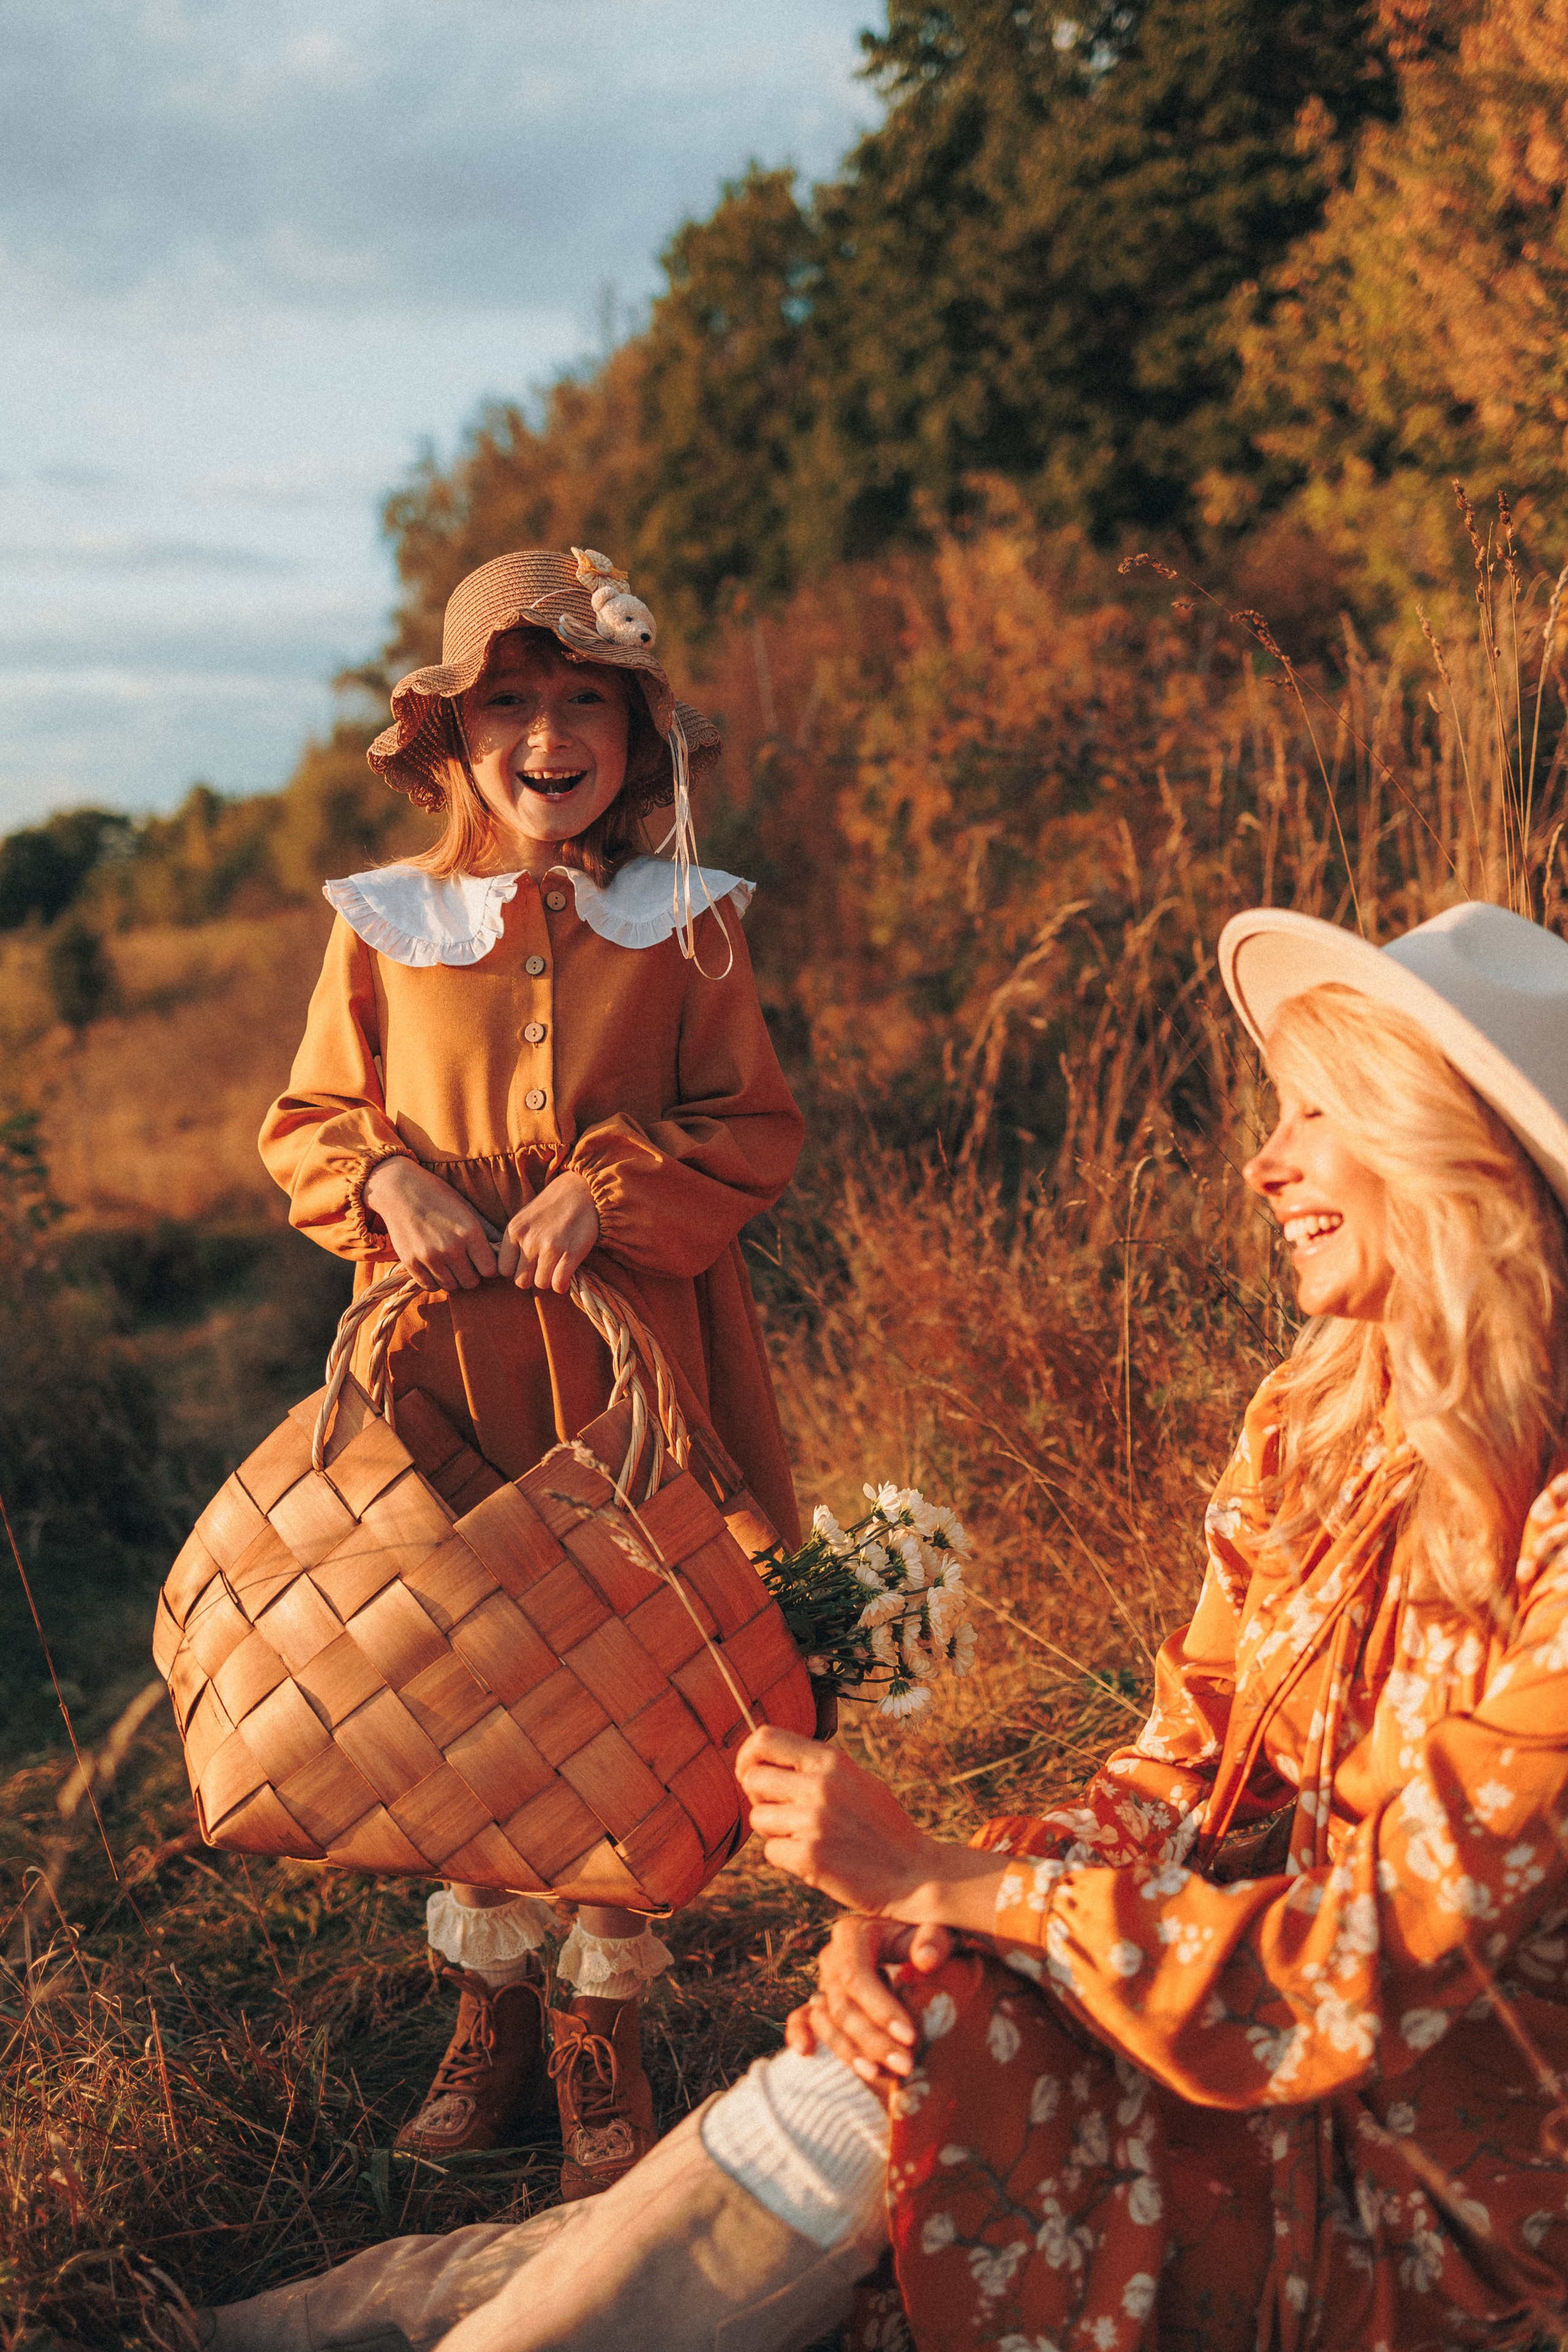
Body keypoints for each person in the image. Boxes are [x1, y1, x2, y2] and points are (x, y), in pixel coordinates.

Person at [211, 895, 1568, 2351]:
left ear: (1447, 1158)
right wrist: (918, 1909)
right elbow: (1175, 1773)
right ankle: (335, 2318)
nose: (1262, 1161)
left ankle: (327, 2327)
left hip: (1425, 2173)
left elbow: (1366, 1960)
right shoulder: (1314, 1419)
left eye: (1317, 1115)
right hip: (1208, 2036)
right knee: (919, 2021)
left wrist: (942, 1886)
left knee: (924, 2066)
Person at [257, 547, 804, 2198]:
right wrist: (386, 1182)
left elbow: (754, 1129)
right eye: (515, 701)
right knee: (467, 1671)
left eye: (589, 702)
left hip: (630, 1363)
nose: (552, 734)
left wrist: (612, 1188)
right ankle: (487, 2003)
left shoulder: (691, 930)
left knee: (625, 1672)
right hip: (454, 1377)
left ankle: (601, 2019)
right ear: (450, 736)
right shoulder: (384, 927)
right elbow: (305, 1123)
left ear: (637, 735)